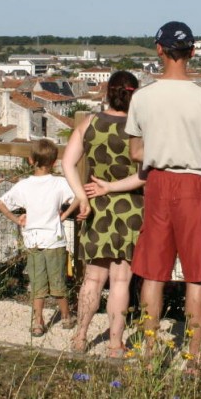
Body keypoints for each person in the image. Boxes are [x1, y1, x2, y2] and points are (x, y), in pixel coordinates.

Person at [125, 21, 201, 367]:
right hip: (195, 185)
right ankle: (193, 356)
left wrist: (162, 147)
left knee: (154, 271)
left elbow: (135, 152)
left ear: (159, 50)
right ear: (191, 52)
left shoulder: (142, 97)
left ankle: (149, 350)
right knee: (196, 274)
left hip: (158, 183)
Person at [60, 70, 144, 357]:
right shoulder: (142, 128)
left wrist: (82, 196)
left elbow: (67, 163)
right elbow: (145, 175)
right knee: (122, 280)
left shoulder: (90, 123)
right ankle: (115, 344)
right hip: (131, 208)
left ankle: (80, 337)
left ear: (108, 92)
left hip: (97, 207)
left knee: (92, 279)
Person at [0, 138, 76, 337]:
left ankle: (37, 321)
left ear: (31, 160)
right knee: (57, 280)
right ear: (55, 162)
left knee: (37, 282)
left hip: (32, 239)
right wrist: (64, 215)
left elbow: (1, 203)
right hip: (55, 239)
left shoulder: (24, 185)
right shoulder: (60, 183)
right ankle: (66, 316)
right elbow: (79, 197)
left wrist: (17, 219)